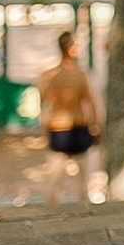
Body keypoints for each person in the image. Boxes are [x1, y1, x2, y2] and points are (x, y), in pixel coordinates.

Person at [36, 29, 101, 204]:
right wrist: (97, 127)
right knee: (82, 185)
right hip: (78, 128)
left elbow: (43, 107)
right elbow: (92, 104)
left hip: (58, 129)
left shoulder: (47, 77)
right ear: (70, 48)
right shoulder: (80, 75)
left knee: (55, 184)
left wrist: (45, 130)